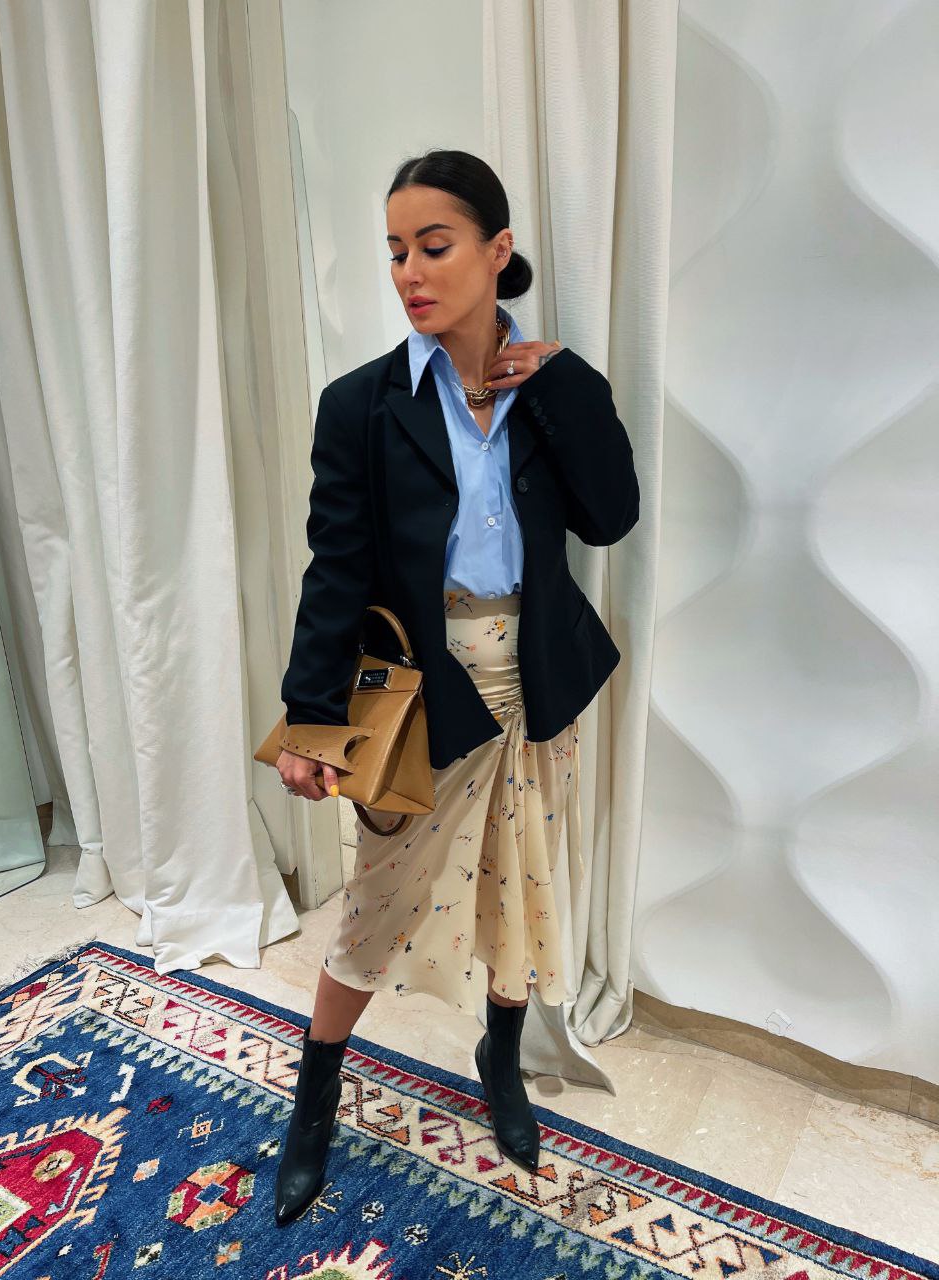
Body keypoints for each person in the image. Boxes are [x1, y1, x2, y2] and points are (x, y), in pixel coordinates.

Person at [272, 149, 639, 1228]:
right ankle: (314, 1097)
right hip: (426, 692)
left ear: (496, 250)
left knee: (521, 885)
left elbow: (610, 517)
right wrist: (311, 720)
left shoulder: (550, 388)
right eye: (395, 251)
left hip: (538, 675)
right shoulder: (362, 405)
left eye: (433, 246)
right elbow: (336, 569)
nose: (410, 272)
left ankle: (502, 1056)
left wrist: (560, 382)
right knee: (376, 904)